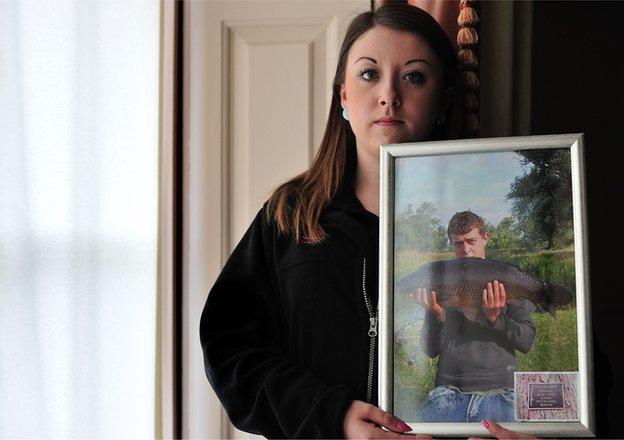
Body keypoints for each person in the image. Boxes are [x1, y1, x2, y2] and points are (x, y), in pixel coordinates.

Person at [200, 3, 530, 438]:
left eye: (414, 76)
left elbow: (586, 377)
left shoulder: (465, 218)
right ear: (343, 95)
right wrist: (330, 415)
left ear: (443, 98)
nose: (388, 94)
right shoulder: (291, 216)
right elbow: (231, 350)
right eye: (369, 74)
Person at [412, 211, 537, 423]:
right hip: (448, 390)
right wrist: (437, 315)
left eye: (471, 241)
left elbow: (527, 342)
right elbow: (430, 350)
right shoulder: (441, 283)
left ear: (485, 238)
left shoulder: (505, 278)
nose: (466, 249)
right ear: (451, 244)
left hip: (501, 390)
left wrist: (497, 319)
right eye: (458, 243)